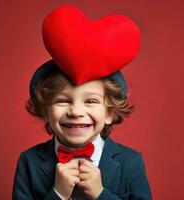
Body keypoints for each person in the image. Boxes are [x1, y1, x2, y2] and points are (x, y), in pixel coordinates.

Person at [12, 6, 152, 200]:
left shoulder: (130, 161)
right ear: (45, 112)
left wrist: (101, 194)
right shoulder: (29, 162)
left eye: (91, 101)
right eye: (62, 100)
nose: (76, 111)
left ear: (110, 113)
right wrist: (57, 194)